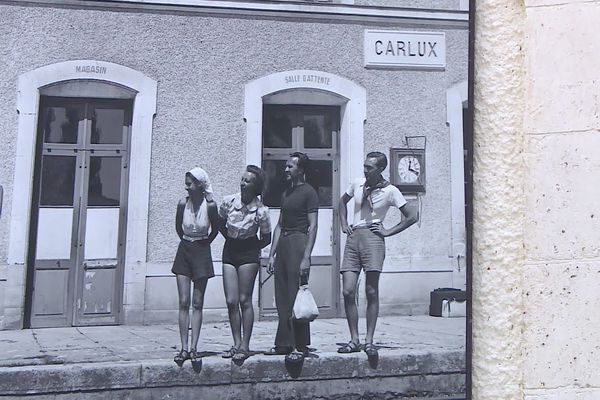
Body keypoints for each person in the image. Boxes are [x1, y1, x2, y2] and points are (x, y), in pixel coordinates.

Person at [337, 151, 417, 357]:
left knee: (371, 291)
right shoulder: (357, 184)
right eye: (364, 166)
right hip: (354, 238)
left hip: (373, 239)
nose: (365, 170)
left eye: (369, 167)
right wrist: (344, 223)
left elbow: (412, 216)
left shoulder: (390, 191)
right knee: (347, 291)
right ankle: (354, 339)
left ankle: (369, 341)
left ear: (380, 169)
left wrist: (388, 231)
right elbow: (341, 203)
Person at [265, 152, 319, 363]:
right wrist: (271, 254)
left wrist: (306, 256)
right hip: (284, 244)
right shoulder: (286, 193)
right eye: (286, 166)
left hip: (298, 242)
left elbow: (313, 225)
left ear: (301, 170)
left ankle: (300, 345)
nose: (286, 170)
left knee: (296, 295)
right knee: (282, 297)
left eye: (290, 167)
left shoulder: (309, 192)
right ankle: (283, 343)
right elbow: (279, 224)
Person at [218, 165, 272, 362]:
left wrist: (252, 247)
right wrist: (231, 239)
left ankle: (245, 346)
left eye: (247, 181)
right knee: (231, 300)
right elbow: (219, 224)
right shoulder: (228, 202)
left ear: (255, 186)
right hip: (230, 249)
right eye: (242, 179)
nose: (243, 183)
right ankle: (235, 342)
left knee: (244, 299)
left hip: (249, 252)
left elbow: (266, 237)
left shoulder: (261, 211)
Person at [172, 167, 219, 368]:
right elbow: (177, 227)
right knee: (184, 301)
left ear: (199, 185)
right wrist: (188, 242)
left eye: (189, 183)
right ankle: (183, 348)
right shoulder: (183, 203)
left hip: (201, 250)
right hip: (185, 250)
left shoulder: (210, 206)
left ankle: (194, 348)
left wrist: (204, 243)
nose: (186, 187)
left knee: (197, 302)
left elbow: (216, 229)